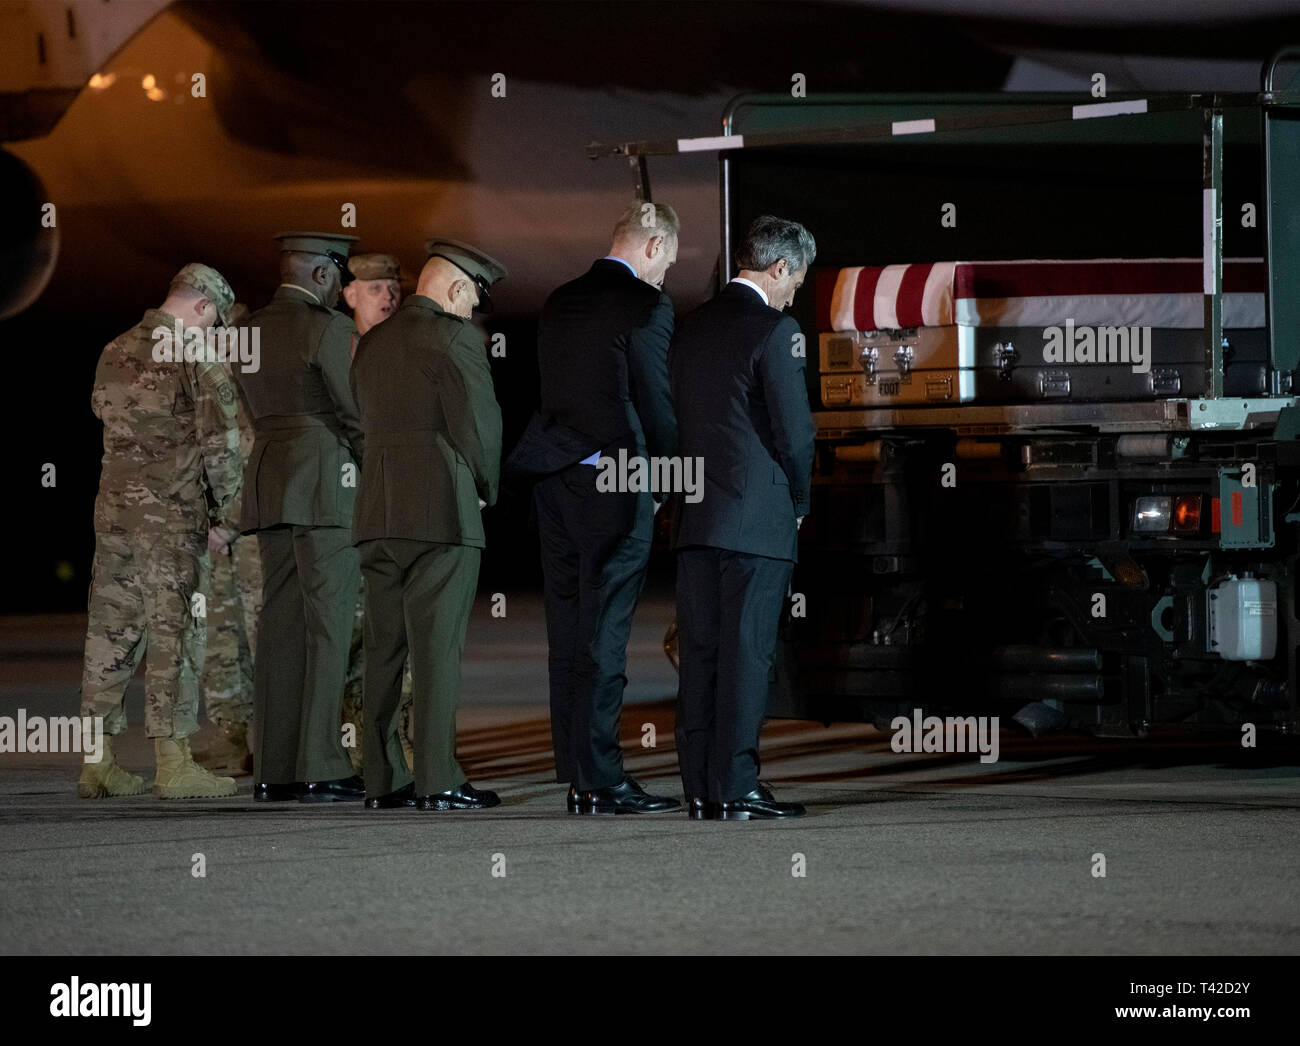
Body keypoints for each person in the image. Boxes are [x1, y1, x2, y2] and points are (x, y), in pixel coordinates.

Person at [506, 201, 680, 814]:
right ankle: (601, 780)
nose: (665, 278)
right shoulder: (646, 305)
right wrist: (666, 479)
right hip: (615, 481)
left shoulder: (558, 299)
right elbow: (656, 403)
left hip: (553, 481)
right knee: (606, 633)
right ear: (654, 247)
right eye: (667, 264)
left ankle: (574, 766)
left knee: (569, 628)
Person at [669, 215, 817, 820]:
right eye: (796, 281)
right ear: (779, 267)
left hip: (695, 519)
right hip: (756, 521)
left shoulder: (688, 327)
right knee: (747, 656)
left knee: (701, 654)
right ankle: (737, 787)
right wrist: (801, 501)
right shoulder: (776, 330)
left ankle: (701, 788)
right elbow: (796, 434)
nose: (793, 294)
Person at [78, 263, 243, 800]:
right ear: (200, 305)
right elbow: (221, 445)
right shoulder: (196, 356)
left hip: (114, 517)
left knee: (110, 633)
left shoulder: (115, 348)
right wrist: (226, 517)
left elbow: (104, 415)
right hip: (171, 521)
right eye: (214, 319)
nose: (214, 331)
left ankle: (96, 761)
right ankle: (175, 765)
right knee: (176, 636)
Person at [351, 239, 505, 810]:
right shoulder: (454, 336)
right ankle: (437, 778)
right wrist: (486, 488)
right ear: (457, 289)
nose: (471, 312)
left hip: (376, 513)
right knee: (437, 652)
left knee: (383, 653)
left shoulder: (371, 343)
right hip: (440, 512)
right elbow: (478, 425)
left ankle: (381, 779)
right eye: (472, 299)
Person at [234, 231, 366, 803]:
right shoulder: (328, 328)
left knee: (280, 629)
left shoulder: (246, 331)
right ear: (320, 275)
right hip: (324, 485)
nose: (343, 288)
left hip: (270, 482)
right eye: (340, 275)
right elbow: (355, 413)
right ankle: (321, 762)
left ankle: (274, 767)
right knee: (330, 625)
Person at [338, 253, 414, 774]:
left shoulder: (407, 347)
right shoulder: (336, 351)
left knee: (399, 633)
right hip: (349, 511)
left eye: (392, 288)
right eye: (374, 289)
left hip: (396, 509)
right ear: (349, 296)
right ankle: (359, 746)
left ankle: (399, 745)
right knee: (353, 636)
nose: (387, 297)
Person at [196, 302, 260, 773]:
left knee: (262, 639)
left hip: (248, 534)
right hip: (212, 536)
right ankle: (229, 734)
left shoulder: (250, 394)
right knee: (218, 639)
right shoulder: (201, 389)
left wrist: (229, 524)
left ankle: (268, 739)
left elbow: (254, 466)